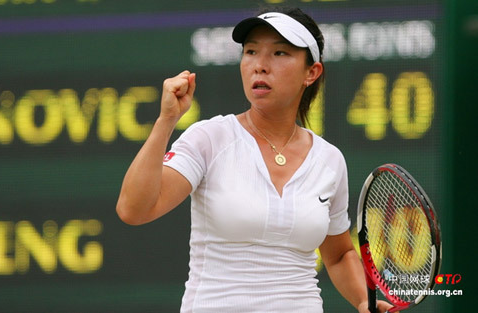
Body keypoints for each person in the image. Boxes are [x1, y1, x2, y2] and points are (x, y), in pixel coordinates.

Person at [116, 6, 396, 313]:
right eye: (250, 51)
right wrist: (166, 120)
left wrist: (362, 301)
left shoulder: (329, 159)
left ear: (311, 73)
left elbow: (339, 254)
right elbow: (134, 209)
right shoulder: (209, 138)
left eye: (279, 54)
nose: (259, 65)